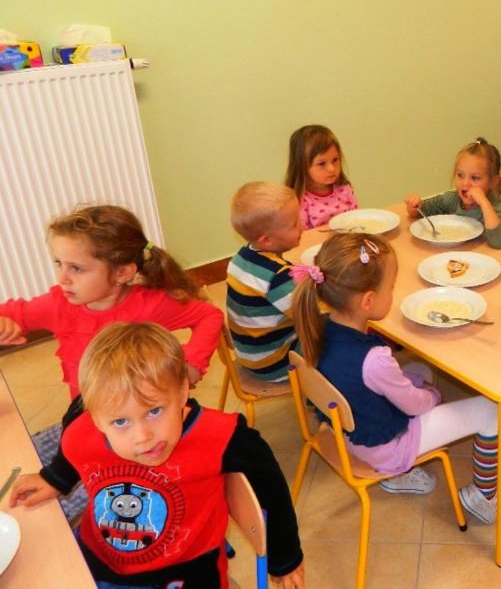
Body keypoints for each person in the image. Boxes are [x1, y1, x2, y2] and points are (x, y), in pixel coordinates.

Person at [8, 322, 305, 589]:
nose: (142, 436)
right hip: (102, 565)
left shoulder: (221, 436)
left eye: (154, 411)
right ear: (94, 417)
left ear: (182, 392)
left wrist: (285, 558)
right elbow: (73, 448)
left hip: (187, 574)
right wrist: (56, 479)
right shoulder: (82, 429)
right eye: (120, 421)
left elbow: (270, 488)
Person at [292, 233, 501, 523]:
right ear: (368, 300)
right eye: (390, 287)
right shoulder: (375, 359)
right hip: (383, 449)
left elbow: (379, 379)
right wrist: (434, 395)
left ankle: (404, 471)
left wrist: (419, 386)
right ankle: (483, 497)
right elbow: (415, 405)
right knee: (490, 409)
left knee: (419, 371)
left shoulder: (316, 326)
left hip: (343, 430)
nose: (393, 292)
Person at [0, 204, 222, 398]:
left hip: (146, 412)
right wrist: (3, 324)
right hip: (90, 412)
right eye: (60, 264)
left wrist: (193, 363)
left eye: (76, 268)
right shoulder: (58, 305)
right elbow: (8, 313)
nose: (62, 279)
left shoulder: (150, 305)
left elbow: (209, 315)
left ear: (122, 273)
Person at [227, 182, 304, 381]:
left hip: (251, 354)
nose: (303, 224)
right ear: (267, 241)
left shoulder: (239, 258)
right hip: (277, 363)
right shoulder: (277, 276)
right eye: (294, 224)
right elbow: (309, 313)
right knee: (339, 329)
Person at [404, 138, 501, 248]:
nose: (465, 183)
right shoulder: (453, 199)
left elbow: (499, 242)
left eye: (475, 178)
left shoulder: (497, 208)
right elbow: (423, 211)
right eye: (460, 175)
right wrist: (414, 207)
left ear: (493, 182)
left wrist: (484, 203)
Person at [285, 124, 358, 229]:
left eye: (335, 160)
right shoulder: (300, 199)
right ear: (302, 167)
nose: (331, 168)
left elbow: (357, 221)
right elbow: (302, 235)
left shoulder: (344, 189)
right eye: (321, 163)